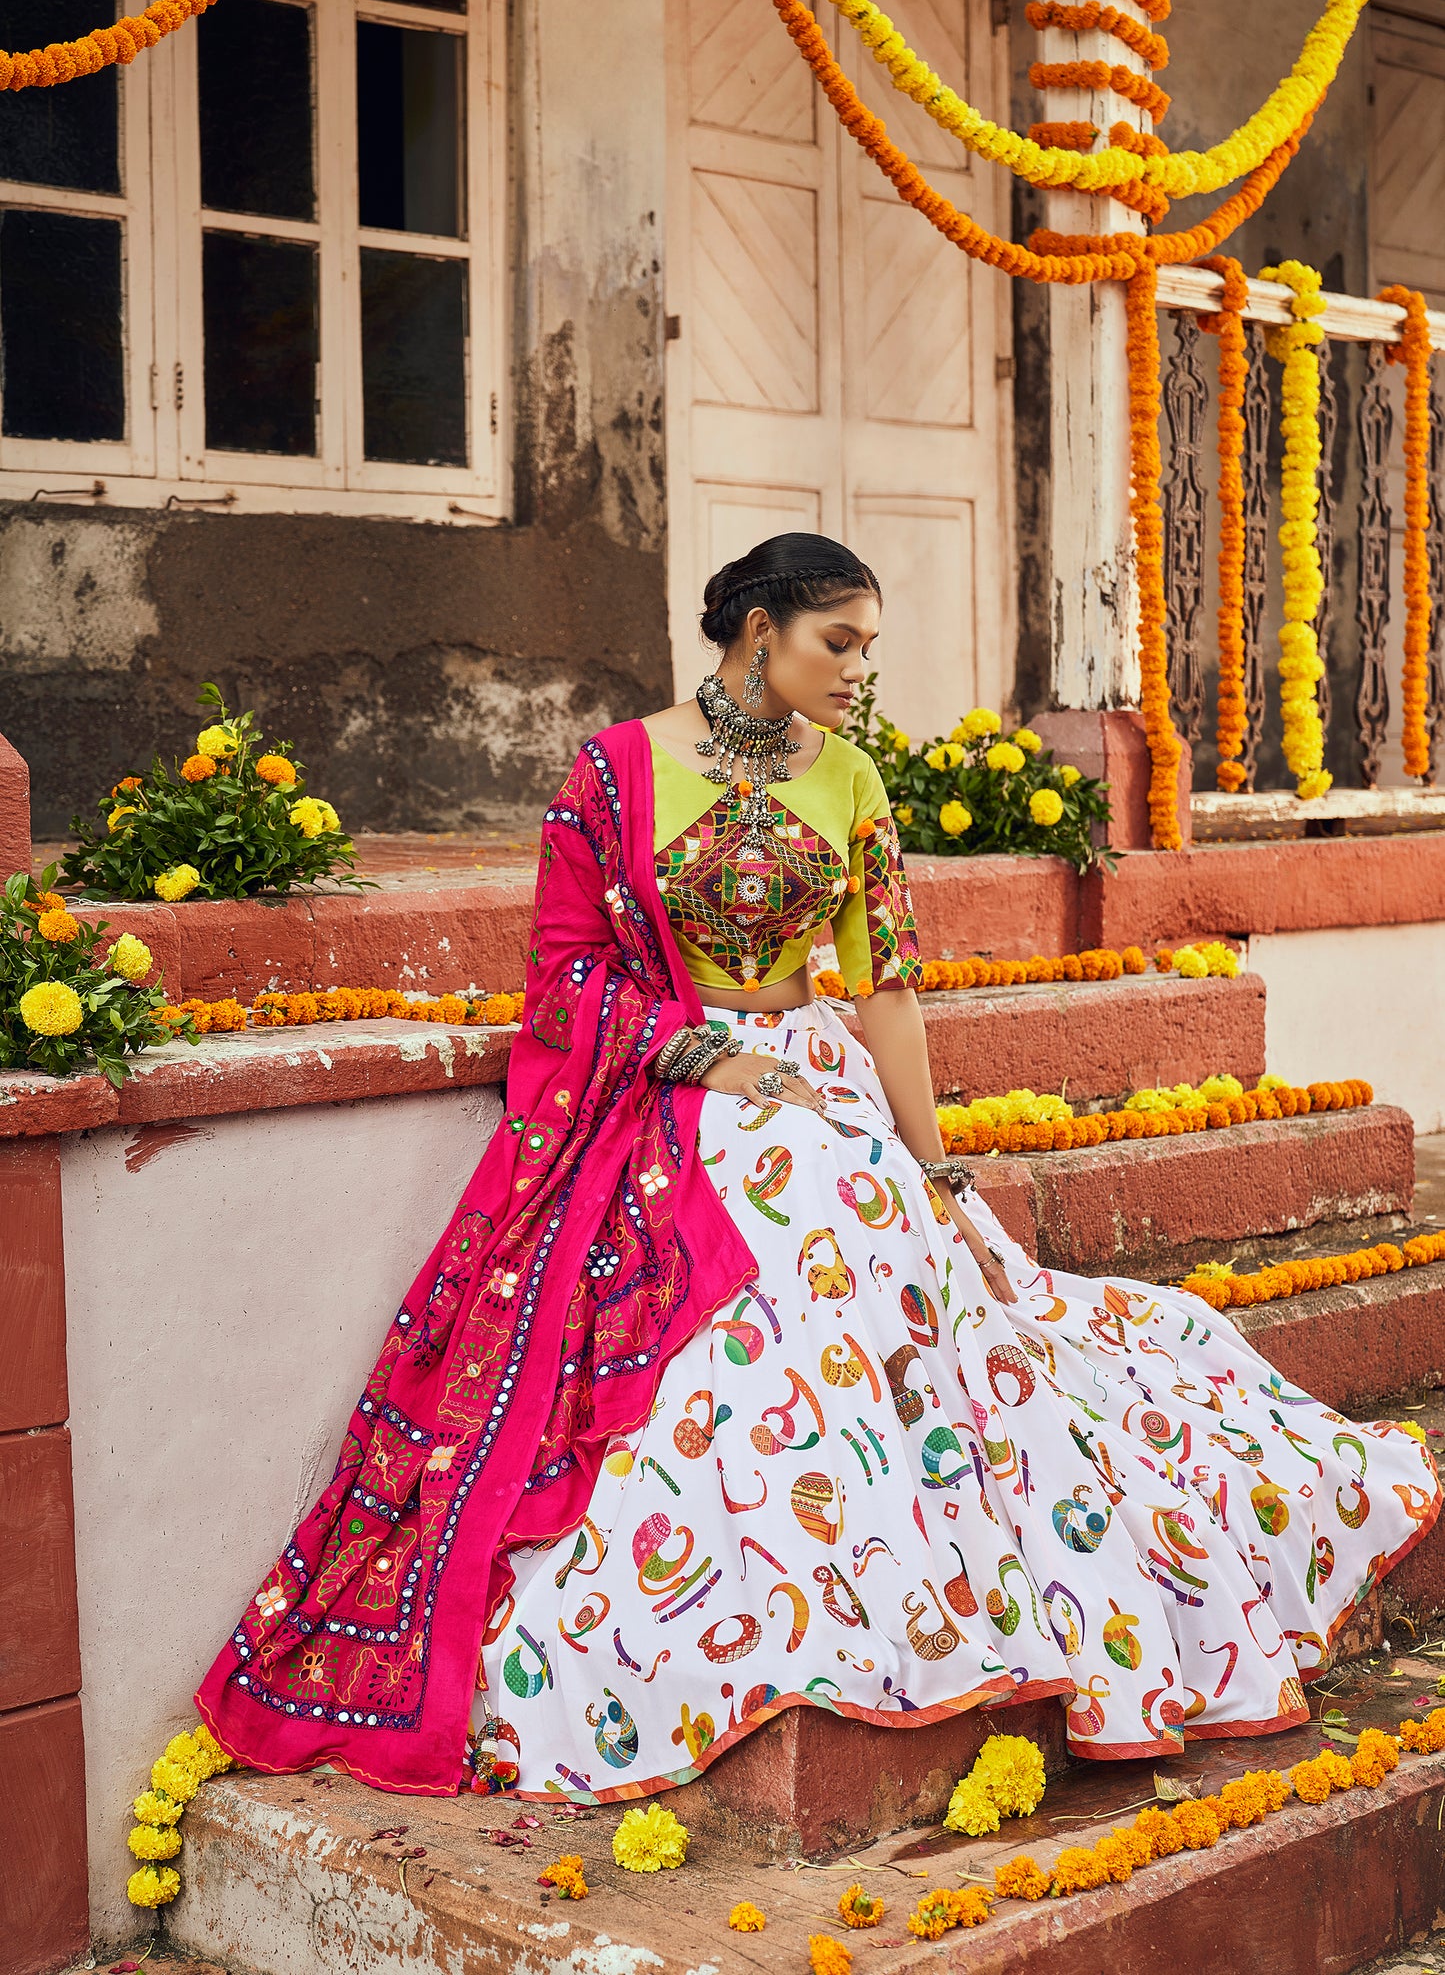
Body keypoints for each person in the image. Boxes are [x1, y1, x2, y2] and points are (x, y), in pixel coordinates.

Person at [199, 532, 1438, 1804]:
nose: (857, 671)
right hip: (674, 1087)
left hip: (816, 1076)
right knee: (776, 1253)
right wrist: (700, 1056)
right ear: (755, 632)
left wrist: (934, 1161)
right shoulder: (613, 770)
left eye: (867, 647)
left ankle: (913, 1563)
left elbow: (889, 986)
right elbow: (566, 970)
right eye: (834, 643)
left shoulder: (849, 779)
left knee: (880, 1240)